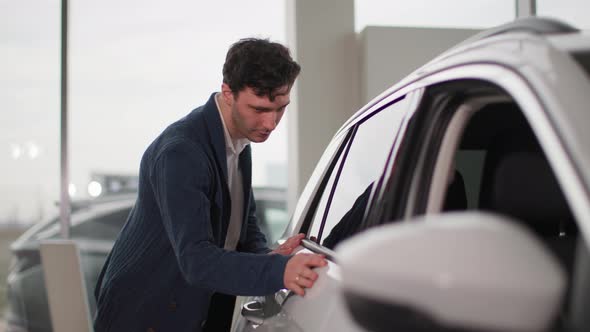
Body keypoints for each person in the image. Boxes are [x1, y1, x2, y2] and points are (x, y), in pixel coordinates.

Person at [94, 38, 327, 332]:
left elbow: (241, 229)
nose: (270, 123)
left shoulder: (240, 141)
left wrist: (269, 257)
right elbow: (196, 260)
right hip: (143, 315)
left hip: (192, 308)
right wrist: (279, 271)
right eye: (259, 109)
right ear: (228, 93)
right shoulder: (182, 152)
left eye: (280, 109)